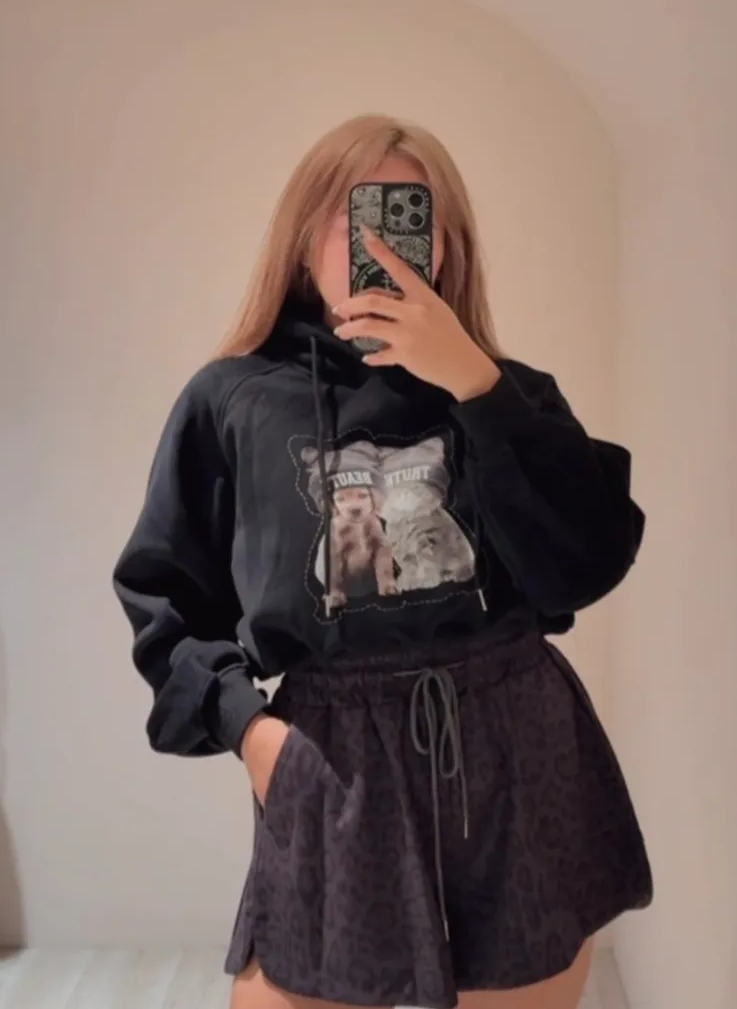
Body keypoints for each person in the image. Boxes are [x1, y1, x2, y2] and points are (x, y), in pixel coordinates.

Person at [113, 115, 653, 1009]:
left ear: (447, 245)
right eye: (356, 214)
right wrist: (251, 731)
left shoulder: (505, 393)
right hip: (335, 765)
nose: (384, 244)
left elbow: (585, 560)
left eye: (412, 217)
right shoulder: (235, 400)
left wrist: (477, 385)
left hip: (515, 750)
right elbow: (164, 594)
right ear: (302, 237)